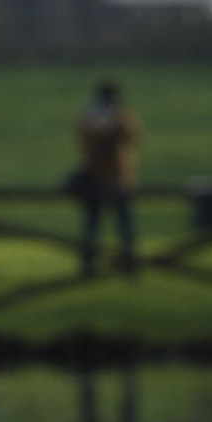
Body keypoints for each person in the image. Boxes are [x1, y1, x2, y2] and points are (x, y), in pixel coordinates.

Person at [74, 80, 142, 277]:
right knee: (94, 224)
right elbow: (85, 143)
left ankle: (128, 263)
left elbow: (133, 135)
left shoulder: (120, 116)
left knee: (123, 223)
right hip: (98, 177)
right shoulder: (89, 117)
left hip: (119, 177)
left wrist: (118, 120)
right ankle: (89, 264)